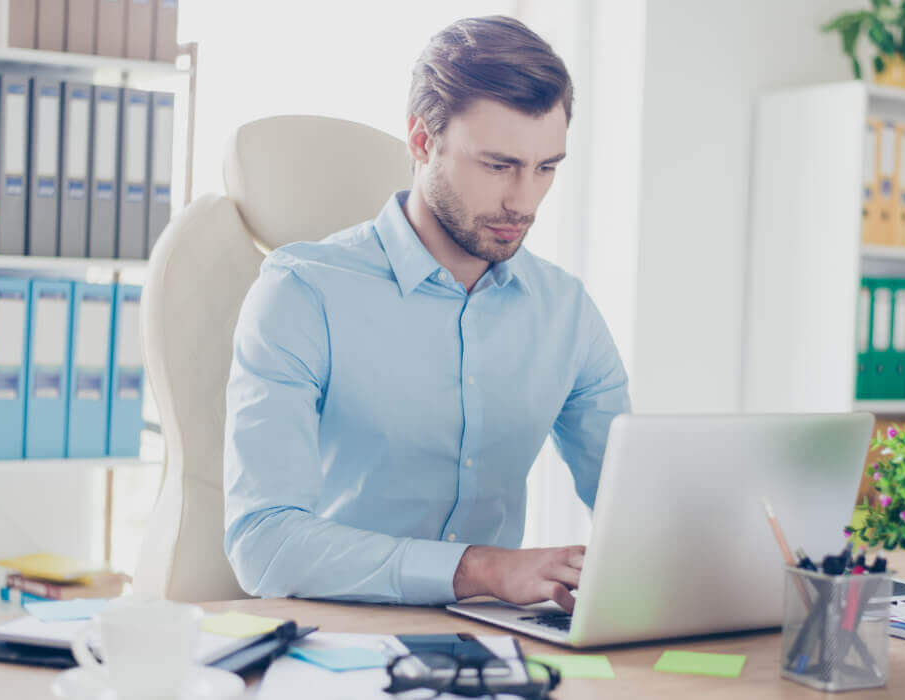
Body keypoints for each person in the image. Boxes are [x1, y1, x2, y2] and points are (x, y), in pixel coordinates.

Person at [224, 15, 630, 613]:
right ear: (421, 140)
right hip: (336, 640)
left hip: (491, 650)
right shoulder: (302, 292)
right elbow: (262, 543)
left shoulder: (565, 311)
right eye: (497, 166)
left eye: (546, 168)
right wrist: (481, 567)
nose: (523, 201)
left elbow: (637, 510)